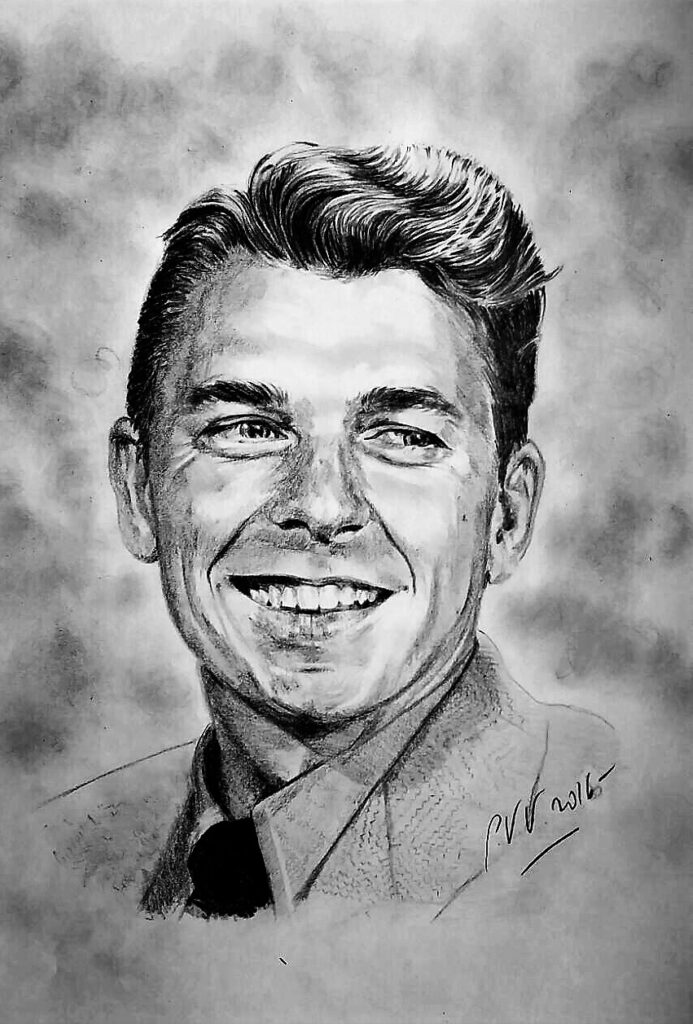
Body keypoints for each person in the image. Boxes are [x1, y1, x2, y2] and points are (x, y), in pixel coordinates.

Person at [43, 143, 617, 921]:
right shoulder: (42, 871)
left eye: (404, 437)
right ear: (138, 490)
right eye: (247, 429)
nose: (320, 506)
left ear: (506, 516)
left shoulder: (628, 853)